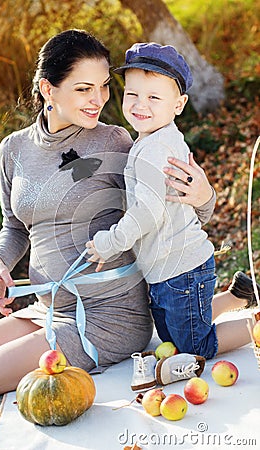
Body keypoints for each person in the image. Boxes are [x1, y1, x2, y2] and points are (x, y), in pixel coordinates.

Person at [0, 30, 256, 448]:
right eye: (84, 88)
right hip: (46, 306)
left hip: (107, 316)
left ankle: (237, 308)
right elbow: (14, 226)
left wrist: (205, 193)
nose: (98, 99)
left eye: (102, 87)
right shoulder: (13, 150)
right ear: (48, 89)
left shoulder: (119, 141)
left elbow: (180, 210)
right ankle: (234, 297)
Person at [86, 42, 259, 388]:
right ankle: (238, 294)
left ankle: (253, 322)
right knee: (181, 330)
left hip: (180, 268)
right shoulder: (152, 140)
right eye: (133, 94)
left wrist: (110, 242)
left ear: (178, 105)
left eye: (154, 98)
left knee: (195, 346)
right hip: (168, 268)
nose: (139, 104)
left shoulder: (155, 149)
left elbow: (147, 213)